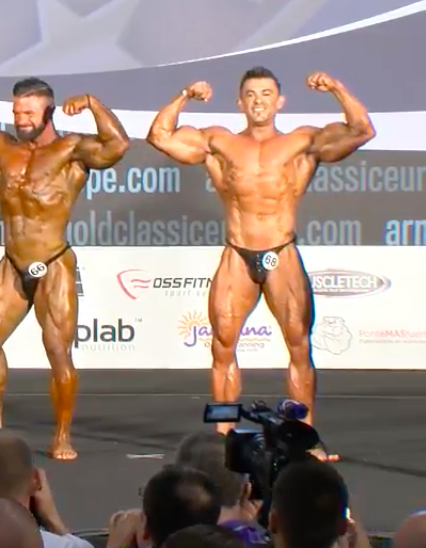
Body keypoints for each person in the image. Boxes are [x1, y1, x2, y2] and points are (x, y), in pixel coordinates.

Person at [147, 69, 374, 432]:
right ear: (240, 102)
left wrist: (337, 88)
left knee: (299, 346)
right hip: (237, 254)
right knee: (222, 346)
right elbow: (159, 135)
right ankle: (223, 433)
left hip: (280, 252)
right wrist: (185, 95)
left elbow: (362, 130)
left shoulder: (302, 142)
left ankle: (304, 435)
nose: (258, 101)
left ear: (279, 102)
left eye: (266, 94)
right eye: (251, 95)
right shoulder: (219, 142)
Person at [0, 79, 129, 460]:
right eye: (17, 111)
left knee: (58, 351)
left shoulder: (71, 149)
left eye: (28, 112)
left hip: (53, 261)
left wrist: (93, 103)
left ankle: (62, 436)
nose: (21, 118)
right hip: (13, 263)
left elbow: (117, 145)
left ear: (49, 112)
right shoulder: (0, 147)